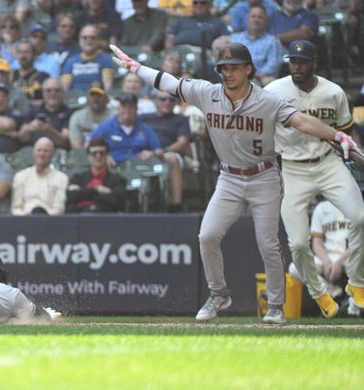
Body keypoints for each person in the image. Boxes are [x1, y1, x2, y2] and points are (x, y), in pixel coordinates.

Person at [109, 42, 360, 324]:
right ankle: (219, 293)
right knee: (207, 236)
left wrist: (335, 135)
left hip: (264, 176)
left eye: (234, 68)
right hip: (229, 178)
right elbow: (167, 82)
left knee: (268, 244)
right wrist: (135, 67)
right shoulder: (207, 92)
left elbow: (302, 121)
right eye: (223, 68)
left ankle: (276, 305)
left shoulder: (268, 100)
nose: (227, 73)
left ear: (248, 69)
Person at [264, 40, 364, 318]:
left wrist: (356, 153)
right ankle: (319, 292)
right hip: (293, 169)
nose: (297, 66)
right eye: (293, 61)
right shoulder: (273, 91)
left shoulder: (334, 92)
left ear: (314, 62)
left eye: (302, 61)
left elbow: (345, 132)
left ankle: (357, 283)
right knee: (296, 242)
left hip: (328, 163)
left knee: (359, 218)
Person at [139, 90, 192, 212]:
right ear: (155, 101)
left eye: (171, 100)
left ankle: (176, 205)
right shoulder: (143, 118)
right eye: (163, 99)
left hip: (167, 153)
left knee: (173, 159)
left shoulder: (181, 119)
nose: (167, 102)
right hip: (143, 153)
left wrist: (161, 151)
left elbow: (182, 143)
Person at [89, 94, 163, 166]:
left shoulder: (145, 129)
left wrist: (151, 153)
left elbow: (158, 150)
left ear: (136, 109)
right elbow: (89, 144)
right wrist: (104, 156)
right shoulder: (106, 126)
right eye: (124, 107)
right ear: (118, 108)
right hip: (113, 168)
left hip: (138, 168)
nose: (127, 110)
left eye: (131, 107)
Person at [66, 136, 127, 213]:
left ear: (107, 155)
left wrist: (82, 192)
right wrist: (97, 190)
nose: (98, 156)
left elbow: (118, 202)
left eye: (102, 153)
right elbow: (70, 198)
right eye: (94, 153)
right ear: (88, 156)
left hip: (105, 221)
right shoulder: (78, 178)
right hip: (79, 220)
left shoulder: (117, 180)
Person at [11, 137, 68, 215]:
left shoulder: (62, 178)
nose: (42, 154)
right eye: (39, 150)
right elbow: (16, 207)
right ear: (33, 153)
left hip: (51, 222)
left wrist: (42, 217)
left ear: (52, 154)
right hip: (24, 220)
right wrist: (27, 218)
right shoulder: (20, 176)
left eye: (46, 151)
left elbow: (59, 208)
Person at [230, 5, 281, 86]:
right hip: (235, 76)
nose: (256, 19)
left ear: (266, 21)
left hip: (259, 79)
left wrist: (256, 75)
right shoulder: (235, 39)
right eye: (253, 16)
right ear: (247, 19)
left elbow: (273, 63)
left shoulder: (272, 41)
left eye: (260, 17)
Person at [18, 77, 71, 150]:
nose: (53, 93)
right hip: (33, 153)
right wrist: (29, 128)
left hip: (58, 153)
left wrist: (49, 130)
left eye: (57, 90)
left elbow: (65, 142)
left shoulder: (69, 113)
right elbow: (21, 139)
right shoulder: (33, 111)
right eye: (48, 91)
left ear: (62, 92)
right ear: (43, 93)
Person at [61, 24, 117, 93]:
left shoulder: (106, 60)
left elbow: (108, 88)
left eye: (92, 37)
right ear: (79, 39)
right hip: (74, 100)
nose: (88, 40)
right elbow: (64, 90)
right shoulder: (70, 62)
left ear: (98, 40)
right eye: (85, 37)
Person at [69, 82, 114, 149]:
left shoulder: (115, 116)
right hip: (84, 156)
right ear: (87, 98)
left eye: (99, 95)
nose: (95, 99)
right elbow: (76, 146)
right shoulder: (77, 117)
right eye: (92, 95)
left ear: (106, 99)